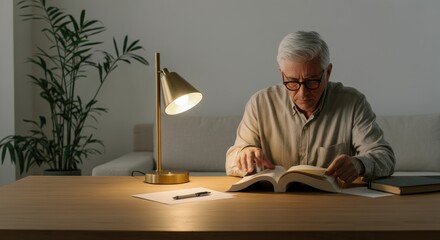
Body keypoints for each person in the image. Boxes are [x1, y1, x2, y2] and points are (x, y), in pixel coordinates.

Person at [225, 31, 395, 183]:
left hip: (334, 206)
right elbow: (231, 159)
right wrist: (244, 154)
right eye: (291, 82)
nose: (302, 93)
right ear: (281, 74)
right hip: (276, 204)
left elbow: (385, 157)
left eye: (311, 81)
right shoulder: (260, 104)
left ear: (327, 73)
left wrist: (359, 164)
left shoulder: (353, 103)